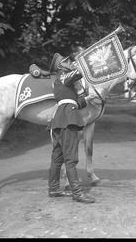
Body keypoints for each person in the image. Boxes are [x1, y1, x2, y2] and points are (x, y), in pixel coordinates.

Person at [48, 44, 96, 204]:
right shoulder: (63, 77)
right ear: (60, 66)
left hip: (59, 120)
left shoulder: (61, 82)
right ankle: (78, 193)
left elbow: (77, 103)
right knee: (71, 159)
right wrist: (91, 60)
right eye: (67, 62)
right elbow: (80, 72)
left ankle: (54, 189)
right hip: (68, 120)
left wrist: (86, 99)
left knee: (57, 158)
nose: (71, 63)